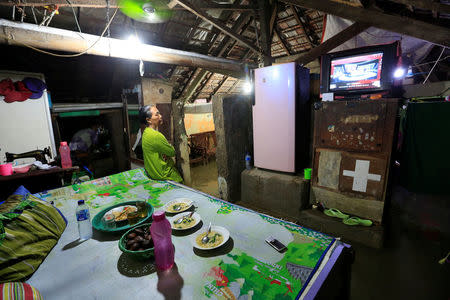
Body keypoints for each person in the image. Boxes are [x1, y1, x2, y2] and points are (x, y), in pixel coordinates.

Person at [139, 105, 183, 183]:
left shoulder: (146, 133)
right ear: (148, 120)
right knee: (181, 181)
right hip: (163, 175)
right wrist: (169, 147)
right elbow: (172, 152)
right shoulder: (156, 136)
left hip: (152, 173)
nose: (160, 116)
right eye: (157, 114)